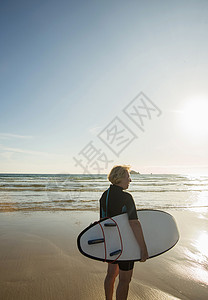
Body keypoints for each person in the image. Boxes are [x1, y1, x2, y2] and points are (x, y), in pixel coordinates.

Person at [99, 165, 148, 300]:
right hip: (126, 245)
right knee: (124, 280)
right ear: (120, 178)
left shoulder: (105, 196)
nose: (130, 180)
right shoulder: (126, 197)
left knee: (111, 275)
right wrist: (143, 248)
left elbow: (103, 221)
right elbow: (134, 223)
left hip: (112, 242)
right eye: (128, 177)